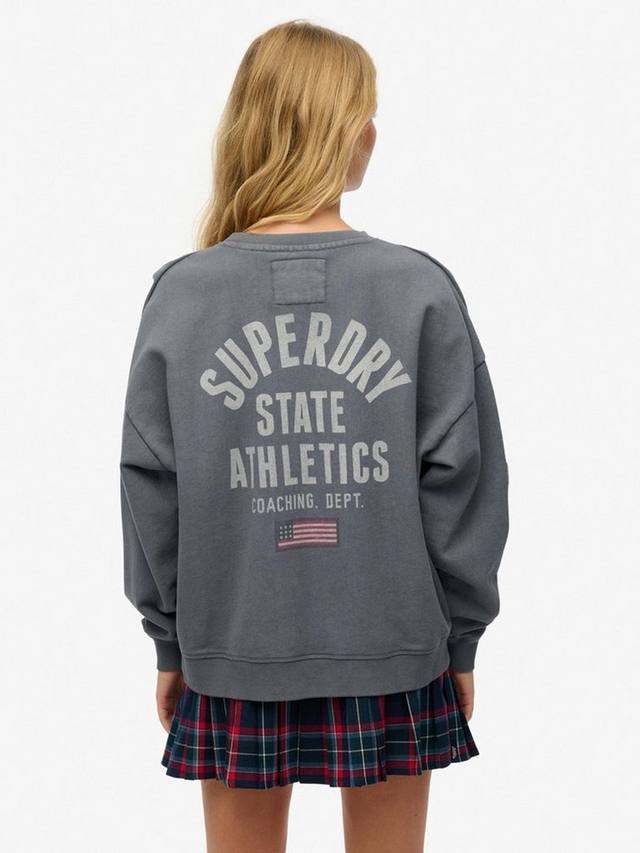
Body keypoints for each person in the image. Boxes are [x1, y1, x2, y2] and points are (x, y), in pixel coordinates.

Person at [119, 18, 509, 853]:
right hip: (394, 646)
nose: (375, 132)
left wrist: (171, 641)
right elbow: (465, 484)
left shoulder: (182, 296)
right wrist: (462, 638)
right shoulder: (419, 288)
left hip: (233, 646)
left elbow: (152, 487)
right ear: (347, 134)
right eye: (367, 113)